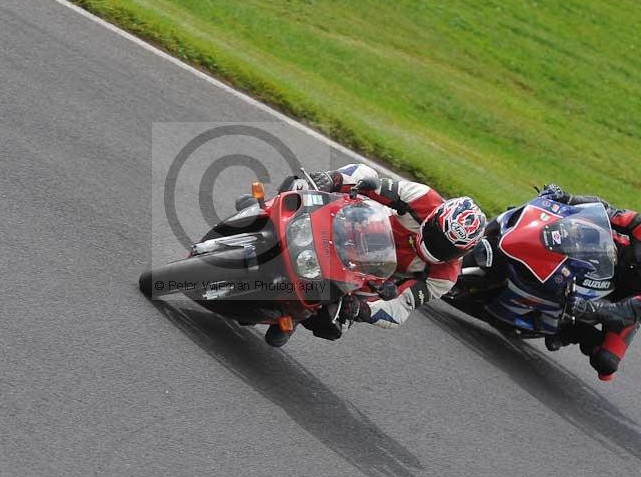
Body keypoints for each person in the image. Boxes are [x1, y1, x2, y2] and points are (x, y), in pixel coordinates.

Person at [265, 163, 487, 347]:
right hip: (356, 222)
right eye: (436, 236)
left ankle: (294, 313)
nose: (437, 246)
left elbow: (401, 306)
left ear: (463, 252)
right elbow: (376, 187)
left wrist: (362, 309)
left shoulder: (444, 277)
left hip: (368, 274)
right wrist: (334, 180)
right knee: (364, 173)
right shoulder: (423, 198)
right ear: (434, 217)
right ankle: (270, 209)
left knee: (333, 323)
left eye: (447, 248)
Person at [538, 184, 641, 380]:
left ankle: (573, 331)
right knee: (571, 232)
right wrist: (567, 198)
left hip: (624, 302)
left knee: (606, 363)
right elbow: (607, 211)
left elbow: (623, 312)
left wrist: (587, 309)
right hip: (610, 257)